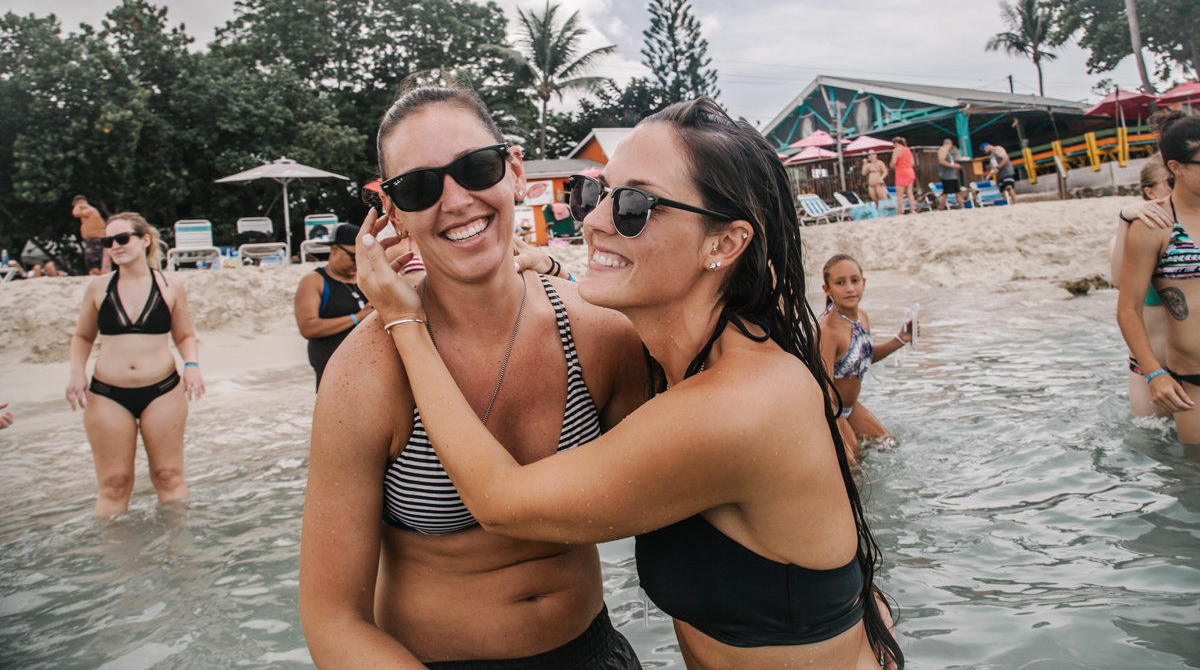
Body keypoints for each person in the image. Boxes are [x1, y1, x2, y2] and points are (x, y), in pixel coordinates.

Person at [356, 97, 904, 670]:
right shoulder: (690, 360)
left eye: (635, 206)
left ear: (723, 244)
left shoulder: (740, 402)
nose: (591, 221)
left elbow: (501, 502)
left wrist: (404, 322)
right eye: (597, 193)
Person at [299, 85, 646, 669]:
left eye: (475, 168)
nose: (456, 200)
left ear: (515, 171)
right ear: (392, 210)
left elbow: (684, 523)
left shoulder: (601, 334)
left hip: (594, 650)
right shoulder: (365, 373)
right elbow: (332, 619)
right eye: (419, 186)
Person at [65, 212, 205, 517]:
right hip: (107, 394)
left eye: (122, 238)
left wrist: (191, 364)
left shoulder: (171, 286)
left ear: (145, 240)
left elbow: (184, 335)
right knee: (115, 482)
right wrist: (77, 373)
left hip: (164, 390)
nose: (114, 246)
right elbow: (82, 336)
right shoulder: (98, 288)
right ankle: (116, 561)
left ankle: (179, 555)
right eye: (107, 241)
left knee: (168, 475)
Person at [1119, 110, 1200, 444]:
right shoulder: (1154, 225)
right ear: (1175, 167)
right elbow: (1128, 308)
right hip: (1193, 379)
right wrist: (1154, 372)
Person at [818, 255, 911, 464]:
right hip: (830, 408)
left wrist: (901, 339)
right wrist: (838, 423)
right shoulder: (828, 331)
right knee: (854, 462)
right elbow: (821, 384)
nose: (850, 288)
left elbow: (863, 357)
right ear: (827, 290)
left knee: (888, 443)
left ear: (864, 283)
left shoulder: (862, 317)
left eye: (855, 280)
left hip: (851, 407)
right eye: (840, 283)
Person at [1109, 155, 1173, 419]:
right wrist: (1125, 219)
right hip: (1149, 366)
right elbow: (1120, 282)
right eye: (1169, 182)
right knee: (1154, 447)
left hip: (1192, 365)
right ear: (1149, 192)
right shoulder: (1131, 238)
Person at [293, 223, 374, 390]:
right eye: (353, 256)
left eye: (361, 256)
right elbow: (308, 328)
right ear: (334, 249)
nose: (356, 262)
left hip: (370, 365)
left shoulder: (364, 278)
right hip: (333, 368)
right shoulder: (314, 281)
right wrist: (357, 317)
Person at [72, 195, 108, 275]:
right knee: (93, 262)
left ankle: (100, 277)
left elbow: (75, 213)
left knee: (92, 262)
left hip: (95, 239)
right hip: (93, 239)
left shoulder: (89, 210)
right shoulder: (88, 211)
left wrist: (79, 205)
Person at [890, 137, 917, 215]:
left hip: (901, 173)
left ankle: (899, 213)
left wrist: (891, 164)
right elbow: (912, 163)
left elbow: (893, 162)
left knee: (900, 195)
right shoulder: (908, 150)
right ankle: (912, 210)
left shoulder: (897, 150)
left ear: (896, 143)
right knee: (910, 192)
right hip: (910, 172)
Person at [936, 139, 963, 210]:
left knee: (957, 191)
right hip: (946, 175)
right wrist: (953, 166)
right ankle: (941, 207)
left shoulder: (947, 151)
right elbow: (942, 161)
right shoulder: (943, 150)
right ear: (950, 144)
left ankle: (962, 207)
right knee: (946, 192)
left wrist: (954, 165)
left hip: (952, 175)